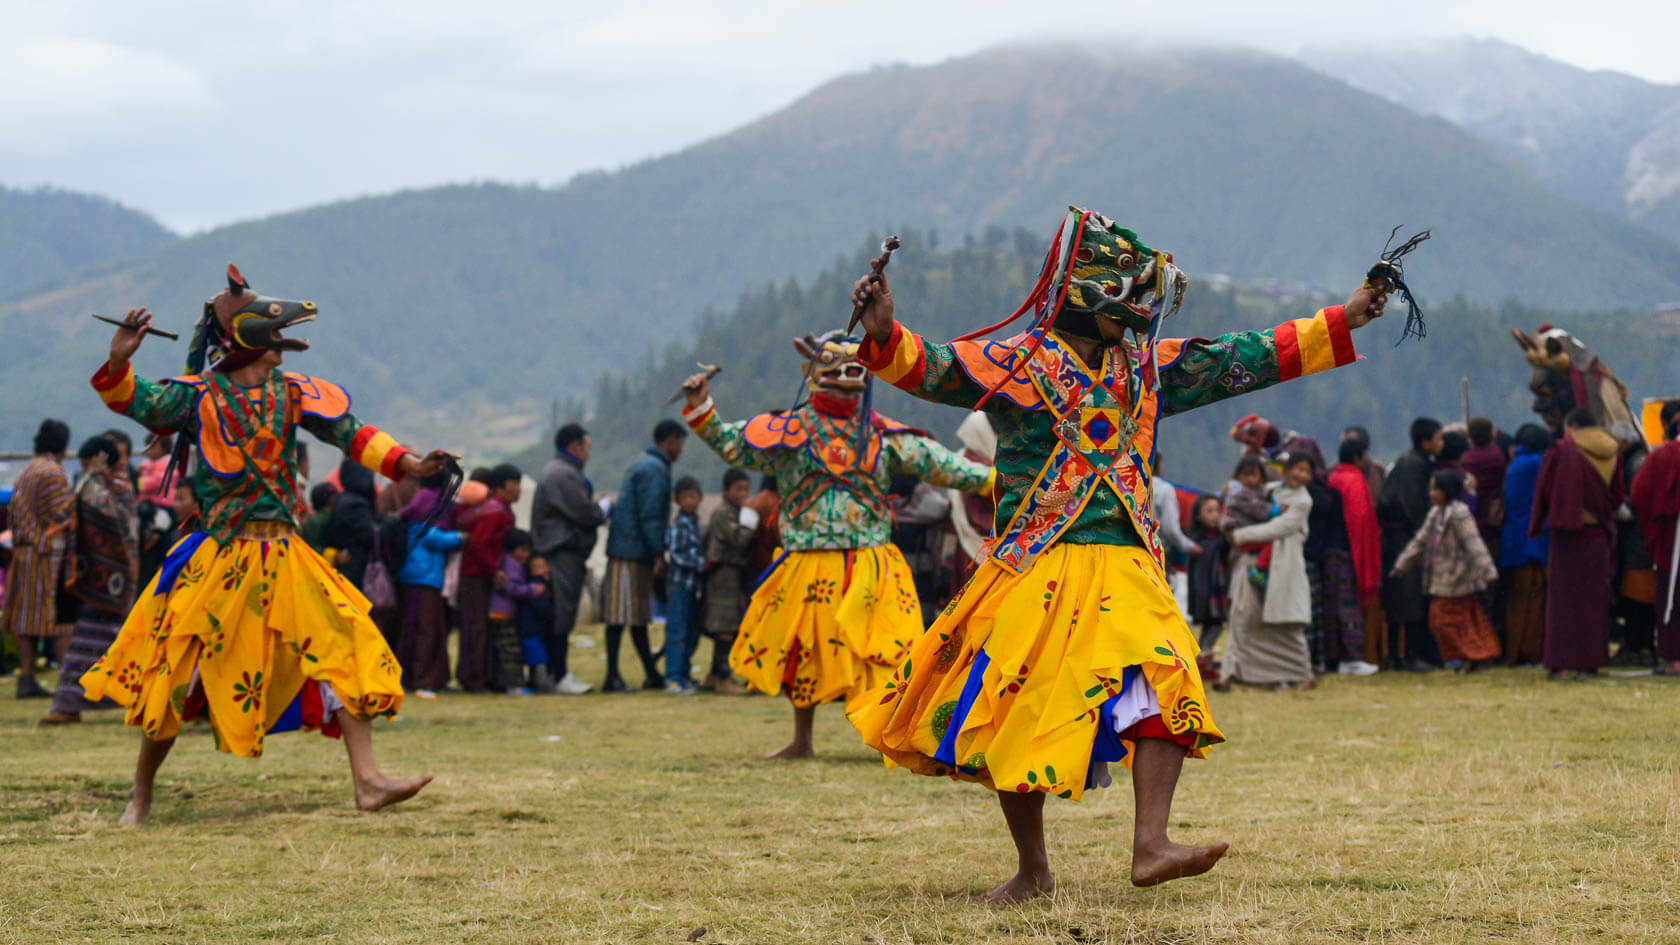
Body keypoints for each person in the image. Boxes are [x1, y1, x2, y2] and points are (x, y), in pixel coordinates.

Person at [844, 207, 1387, 898]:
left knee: (1167, 678)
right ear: (1089, 295)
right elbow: (937, 370)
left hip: (1127, 557)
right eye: (1130, 298)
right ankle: (1033, 868)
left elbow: (1243, 356)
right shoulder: (1017, 364)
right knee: (1012, 706)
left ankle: (1151, 843)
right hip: (1036, 557)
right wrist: (885, 330)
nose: (1142, 313)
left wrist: (1343, 317)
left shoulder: (1151, 368)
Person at [82, 269, 450, 824]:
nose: (285, 336)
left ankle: (369, 782)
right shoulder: (196, 397)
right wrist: (118, 361)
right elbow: (136, 402)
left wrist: (413, 464)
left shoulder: (295, 392)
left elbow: (352, 433)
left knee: (348, 641)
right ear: (243, 337)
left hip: (285, 554)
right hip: (221, 556)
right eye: (272, 324)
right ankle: (141, 793)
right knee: (176, 672)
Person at [681, 329, 992, 759]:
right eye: (839, 370)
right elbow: (735, 445)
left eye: (855, 370)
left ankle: (885, 734)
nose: (849, 377)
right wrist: (702, 409)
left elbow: (946, 468)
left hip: (870, 563)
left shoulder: (883, 435)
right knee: (802, 652)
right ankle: (802, 739)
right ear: (815, 376)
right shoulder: (791, 431)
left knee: (885, 653)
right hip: (810, 562)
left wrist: (999, 478)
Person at [40, 436, 140, 725]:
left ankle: (71, 705)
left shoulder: (117, 486)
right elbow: (69, 509)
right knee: (91, 643)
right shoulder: (94, 483)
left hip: (114, 580)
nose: (84, 469)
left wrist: (92, 477)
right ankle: (69, 704)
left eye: (88, 463)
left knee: (102, 643)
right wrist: (90, 477)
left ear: (100, 461)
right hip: (97, 579)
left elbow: (102, 510)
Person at [1532, 408, 1623, 680]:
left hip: (1568, 534)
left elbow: (1548, 491)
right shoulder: (1612, 450)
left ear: (1571, 426)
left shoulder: (1563, 451)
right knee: (1594, 601)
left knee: (1564, 601)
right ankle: (1589, 663)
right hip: (1598, 534)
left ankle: (1562, 664)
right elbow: (1617, 495)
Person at [601, 421, 687, 692]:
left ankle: (649, 672)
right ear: (671, 441)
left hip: (628, 547)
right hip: (632, 551)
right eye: (680, 444)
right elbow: (651, 516)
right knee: (620, 615)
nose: (681, 451)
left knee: (634, 614)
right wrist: (658, 553)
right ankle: (613, 676)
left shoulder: (646, 464)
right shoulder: (655, 469)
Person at [1222, 454, 1318, 691]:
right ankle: (1233, 671)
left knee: (1288, 625)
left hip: (1285, 567)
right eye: (1298, 469)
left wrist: (1240, 536)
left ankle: (1303, 674)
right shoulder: (1271, 490)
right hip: (1254, 561)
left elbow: (1279, 527)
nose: (1302, 475)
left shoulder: (1303, 501)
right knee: (1244, 616)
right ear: (1287, 469)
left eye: (1307, 472)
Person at [1390, 468, 1501, 671]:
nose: (1431, 493)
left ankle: (1466, 656)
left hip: (1456, 578)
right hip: (1442, 578)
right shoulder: (1436, 513)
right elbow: (1420, 541)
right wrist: (1402, 565)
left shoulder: (1460, 514)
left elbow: (1473, 544)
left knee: (1441, 620)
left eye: (1435, 489)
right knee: (1464, 622)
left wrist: (1488, 571)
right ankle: (1473, 655)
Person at [529, 423, 607, 695]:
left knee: (561, 612)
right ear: (575, 447)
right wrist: (603, 509)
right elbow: (585, 512)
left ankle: (555, 673)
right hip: (562, 550)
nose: (588, 453)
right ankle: (558, 674)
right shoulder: (563, 474)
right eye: (587, 447)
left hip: (563, 549)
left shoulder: (560, 471)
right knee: (563, 612)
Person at [3, 419, 73, 699]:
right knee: (58, 619)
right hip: (46, 553)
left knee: (27, 621)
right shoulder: (53, 473)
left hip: (23, 551)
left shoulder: (28, 470)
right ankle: (67, 683)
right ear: (63, 446)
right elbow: (62, 515)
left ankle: (27, 677)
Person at [1379, 417, 1445, 670]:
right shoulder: (1412, 466)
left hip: (1406, 538)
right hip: (1402, 540)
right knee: (1407, 600)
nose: (1441, 443)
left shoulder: (1419, 463)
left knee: (1409, 599)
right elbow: (1412, 506)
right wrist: (1426, 537)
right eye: (1438, 438)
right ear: (1425, 441)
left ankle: (1405, 655)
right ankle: (1404, 656)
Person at [394, 476, 466, 696]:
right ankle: (417, 678)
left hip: (426, 578)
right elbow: (430, 537)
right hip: (420, 578)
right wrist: (460, 537)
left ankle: (424, 678)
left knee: (426, 629)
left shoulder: (423, 500)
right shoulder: (427, 502)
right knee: (422, 630)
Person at [457, 464, 521, 693]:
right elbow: (479, 543)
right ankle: (474, 680)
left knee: (478, 627)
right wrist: (494, 571)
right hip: (476, 576)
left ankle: (480, 677)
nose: (519, 490)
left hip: (479, 574)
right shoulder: (495, 512)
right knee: (477, 628)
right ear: (504, 486)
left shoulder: (495, 509)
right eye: (516, 484)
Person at [1631, 402, 1680, 676]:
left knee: (1672, 596)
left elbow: (1639, 494)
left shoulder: (1661, 457)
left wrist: (1653, 525)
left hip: (1671, 540)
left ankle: (1675, 660)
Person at [1327, 437, 1382, 675]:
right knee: (1348, 604)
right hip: (1348, 552)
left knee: (1332, 605)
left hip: (1330, 551)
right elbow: (1360, 523)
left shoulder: (1334, 477)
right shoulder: (1355, 480)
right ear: (1359, 458)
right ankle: (1352, 658)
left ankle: (1335, 655)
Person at [1499, 424, 1552, 665]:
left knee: (1518, 598)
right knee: (1533, 597)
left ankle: (1514, 651)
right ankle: (1530, 651)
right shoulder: (1535, 464)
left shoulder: (1516, 465)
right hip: (1532, 540)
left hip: (1514, 538)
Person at [700, 468, 757, 694]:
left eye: (746, 490)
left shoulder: (731, 510)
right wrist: (750, 523)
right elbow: (738, 540)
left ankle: (714, 675)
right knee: (725, 625)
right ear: (726, 490)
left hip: (730, 572)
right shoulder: (725, 513)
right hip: (724, 572)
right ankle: (723, 676)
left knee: (727, 623)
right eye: (738, 489)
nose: (743, 494)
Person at [662, 477, 706, 693]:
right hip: (680, 584)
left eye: (693, 496)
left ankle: (684, 673)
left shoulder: (696, 523)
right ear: (677, 500)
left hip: (693, 586)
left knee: (690, 632)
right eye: (685, 497)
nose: (690, 501)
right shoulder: (679, 525)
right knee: (677, 631)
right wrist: (703, 564)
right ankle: (673, 677)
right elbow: (678, 554)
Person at [489, 528, 543, 695]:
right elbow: (512, 588)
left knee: (500, 651)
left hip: (497, 613)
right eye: (523, 550)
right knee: (511, 652)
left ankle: (501, 683)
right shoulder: (512, 565)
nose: (526, 555)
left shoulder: (506, 562)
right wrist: (532, 590)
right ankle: (514, 684)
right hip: (503, 614)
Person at [1185, 494, 1230, 653]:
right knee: (1213, 623)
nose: (1215, 515)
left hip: (1219, 589)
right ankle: (1203, 652)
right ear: (1198, 516)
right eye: (1209, 511)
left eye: (1218, 511)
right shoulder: (1196, 541)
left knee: (1216, 623)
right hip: (1204, 591)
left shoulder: (1224, 538)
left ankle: (1202, 653)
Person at [325, 458, 378, 590]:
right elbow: (370, 535)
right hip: (354, 571)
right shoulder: (356, 504)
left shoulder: (342, 499)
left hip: (344, 570)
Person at [300, 482, 338, 555]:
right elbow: (310, 550)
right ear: (331, 500)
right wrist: (335, 556)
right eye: (335, 496)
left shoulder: (315, 520)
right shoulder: (318, 521)